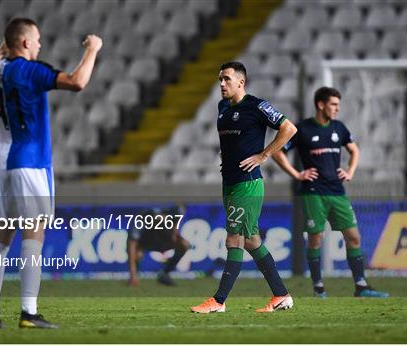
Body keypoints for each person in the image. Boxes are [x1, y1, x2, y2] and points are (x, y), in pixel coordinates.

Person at [0, 17, 102, 328]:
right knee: (34, 234)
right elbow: (78, 81)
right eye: (37, 39)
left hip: (5, 164)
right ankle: (29, 312)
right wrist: (93, 50)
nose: (40, 44)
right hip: (30, 162)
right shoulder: (31, 70)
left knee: (0, 239)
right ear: (26, 43)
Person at [190, 62, 297, 314]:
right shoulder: (222, 107)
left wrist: (264, 155)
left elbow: (289, 128)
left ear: (241, 82)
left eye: (226, 79)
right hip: (230, 182)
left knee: (234, 239)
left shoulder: (257, 106)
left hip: (247, 185)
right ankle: (281, 295)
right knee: (251, 241)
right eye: (220, 79)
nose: (221, 84)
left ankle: (218, 300)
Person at [272, 86, 389, 298]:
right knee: (316, 239)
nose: (337, 109)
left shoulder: (339, 128)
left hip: (337, 191)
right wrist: (297, 174)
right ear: (321, 104)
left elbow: (354, 150)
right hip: (313, 193)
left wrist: (350, 171)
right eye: (333, 104)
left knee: (354, 236)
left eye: (338, 105)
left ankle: (361, 286)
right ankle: (318, 288)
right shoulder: (303, 129)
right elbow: (277, 152)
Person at [127, 205, 190, 287]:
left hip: (160, 242)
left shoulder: (171, 219)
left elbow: (175, 235)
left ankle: (164, 274)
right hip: (144, 243)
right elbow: (132, 245)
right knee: (137, 254)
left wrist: (178, 239)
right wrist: (133, 274)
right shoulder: (142, 219)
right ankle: (134, 277)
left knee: (184, 245)